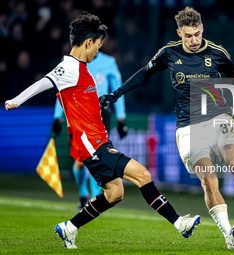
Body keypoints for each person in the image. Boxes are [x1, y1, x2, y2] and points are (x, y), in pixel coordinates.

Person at [5, 12, 200, 249]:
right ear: (88, 43)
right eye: (97, 46)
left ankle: (69, 227)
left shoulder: (81, 68)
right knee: (143, 175)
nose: (98, 51)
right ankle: (180, 223)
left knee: (114, 194)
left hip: (99, 140)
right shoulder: (69, 67)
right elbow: (43, 82)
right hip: (90, 144)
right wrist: (16, 100)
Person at [99, 7, 234, 248]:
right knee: (208, 181)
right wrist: (116, 94)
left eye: (197, 34)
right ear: (179, 33)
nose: (194, 40)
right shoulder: (168, 53)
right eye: (188, 36)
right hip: (188, 127)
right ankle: (229, 236)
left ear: (202, 29)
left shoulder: (217, 53)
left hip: (219, 117)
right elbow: (144, 74)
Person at [52, 50, 128, 209]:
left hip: (100, 116)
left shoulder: (109, 62)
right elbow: (63, 91)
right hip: (77, 115)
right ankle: (82, 193)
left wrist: (121, 118)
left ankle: (93, 199)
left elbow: (117, 89)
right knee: (79, 161)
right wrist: (57, 117)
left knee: (97, 157)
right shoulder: (72, 64)